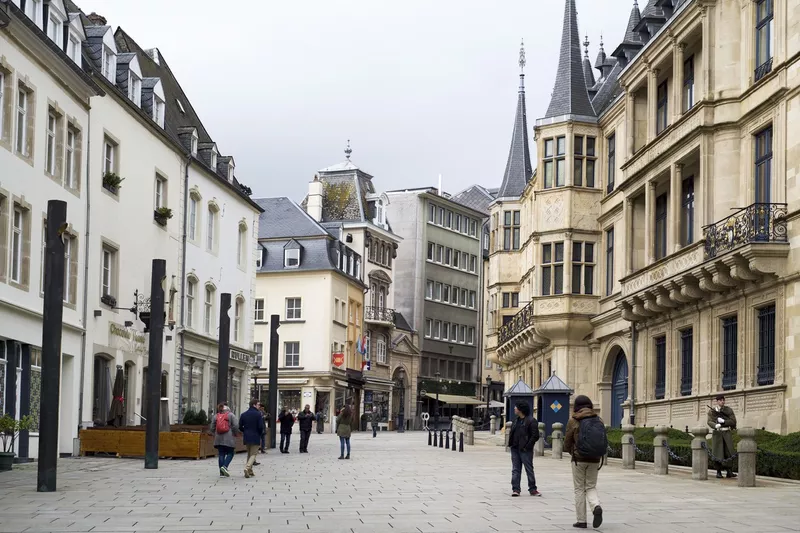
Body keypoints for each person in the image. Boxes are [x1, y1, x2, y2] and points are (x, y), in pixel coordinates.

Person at [564, 395, 607, 530]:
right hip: (594, 458)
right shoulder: (598, 419)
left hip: (579, 459)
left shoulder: (573, 420)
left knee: (579, 489)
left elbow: (567, 442)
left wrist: (573, 452)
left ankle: (581, 520)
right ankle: (596, 506)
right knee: (591, 486)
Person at [507, 402, 540, 497]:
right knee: (515, 469)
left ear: (521, 409)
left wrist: (527, 446)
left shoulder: (531, 421)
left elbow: (535, 436)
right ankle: (516, 489)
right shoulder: (515, 420)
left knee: (529, 469)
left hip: (525, 449)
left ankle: (533, 489)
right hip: (515, 448)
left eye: (516, 407)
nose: (514, 409)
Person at [707, 394, 737, 479]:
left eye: (723, 400)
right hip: (718, 433)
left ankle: (729, 471)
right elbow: (709, 421)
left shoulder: (728, 410)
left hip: (726, 432)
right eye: (720, 400)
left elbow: (733, 421)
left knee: (729, 452)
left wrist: (724, 421)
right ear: (717, 401)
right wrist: (715, 425)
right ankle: (718, 471)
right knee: (718, 453)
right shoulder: (712, 411)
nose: (722, 401)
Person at [209, 402, 238, 477]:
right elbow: (235, 425)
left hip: (218, 438)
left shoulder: (216, 416)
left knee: (221, 454)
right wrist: (235, 433)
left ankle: (221, 473)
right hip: (229, 437)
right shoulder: (231, 415)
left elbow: (212, 426)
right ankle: (224, 467)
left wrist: (213, 433)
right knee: (230, 453)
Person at [239, 398, 266, 478]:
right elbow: (261, 427)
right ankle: (247, 468)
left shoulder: (243, 414)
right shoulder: (258, 414)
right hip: (255, 435)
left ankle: (250, 471)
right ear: (254, 405)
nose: (259, 406)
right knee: (254, 454)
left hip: (247, 435)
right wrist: (260, 433)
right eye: (258, 404)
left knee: (249, 453)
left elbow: (240, 426)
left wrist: (245, 430)